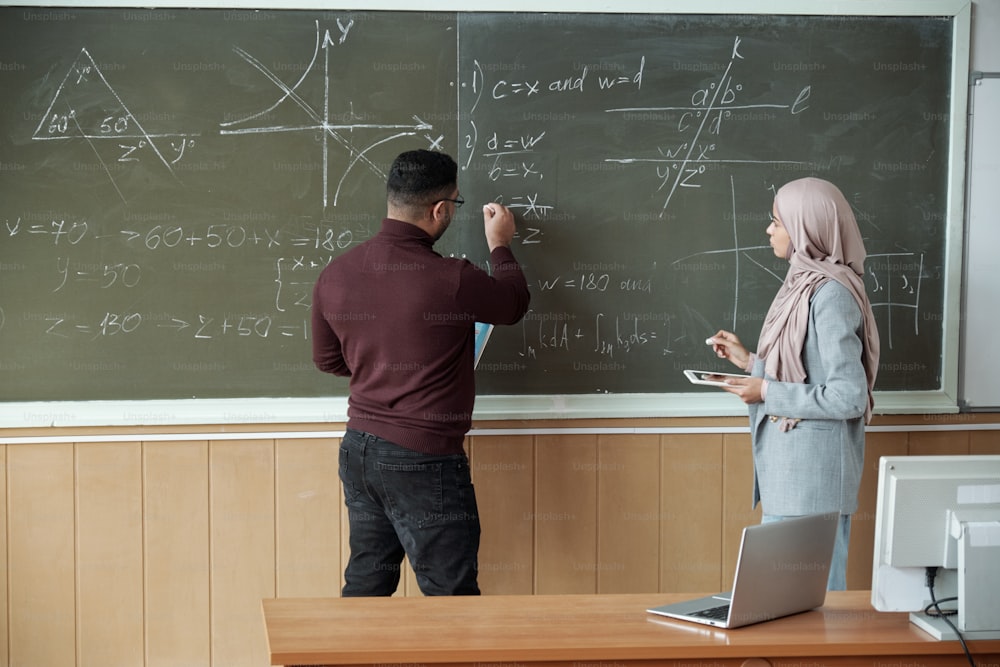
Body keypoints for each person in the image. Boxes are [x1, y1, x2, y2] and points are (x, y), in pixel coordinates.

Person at [311, 149, 530, 596]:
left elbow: (328, 361)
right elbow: (512, 304)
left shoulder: (336, 273)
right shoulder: (451, 278)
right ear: (440, 209)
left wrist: (385, 362)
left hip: (359, 451)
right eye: (456, 202)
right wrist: (500, 244)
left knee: (367, 581)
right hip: (424, 458)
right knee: (451, 595)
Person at [707, 177, 880, 590]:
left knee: (806, 612)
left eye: (776, 222)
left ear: (806, 227)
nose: (768, 230)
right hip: (791, 478)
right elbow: (806, 368)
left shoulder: (830, 294)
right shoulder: (802, 284)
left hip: (812, 483)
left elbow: (848, 396)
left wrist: (765, 391)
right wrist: (749, 362)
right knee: (778, 605)